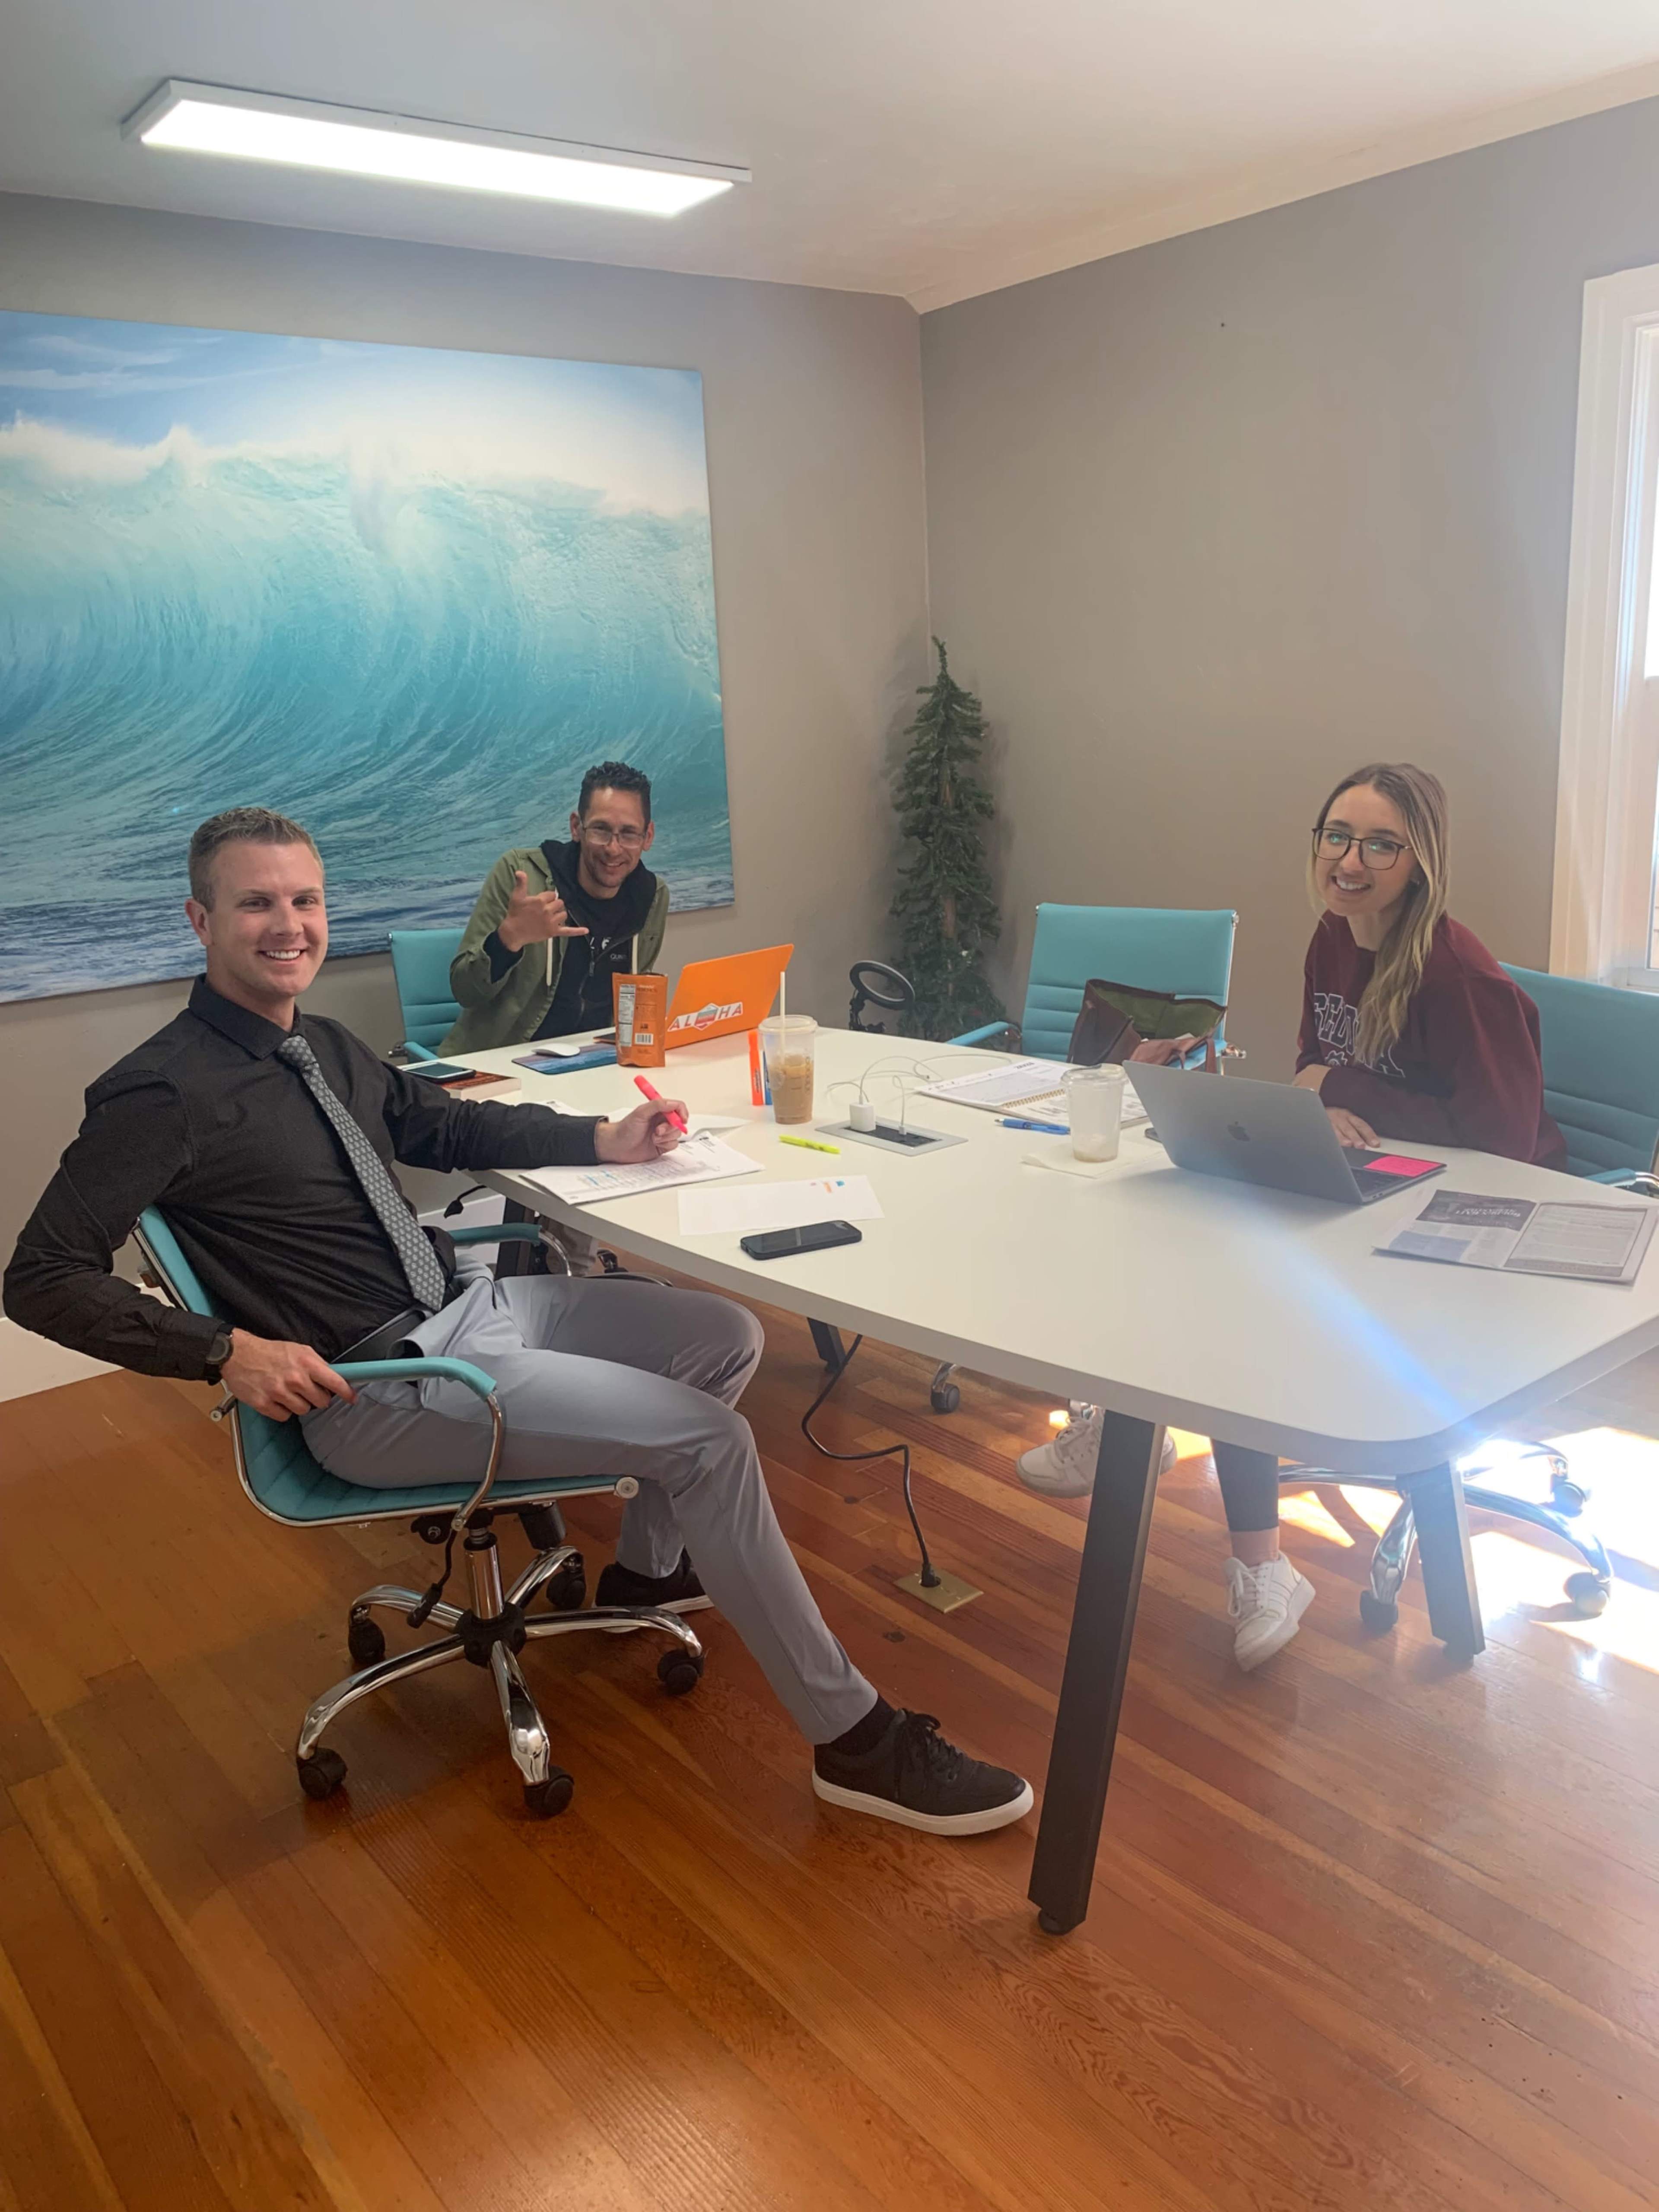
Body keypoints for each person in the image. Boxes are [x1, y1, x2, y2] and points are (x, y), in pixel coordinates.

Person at [4, 807, 1031, 1837]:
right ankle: (855, 1739)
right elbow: (39, 1276)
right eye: (257, 903)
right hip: (385, 1385)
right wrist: (226, 1351)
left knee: (726, 1334)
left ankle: (651, 1563)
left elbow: (444, 1121)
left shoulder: (316, 1043)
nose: (289, 925)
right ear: (200, 917)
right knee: (711, 1441)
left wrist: (603, 1136)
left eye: (305, 900)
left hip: (468, 1305)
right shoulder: (158, 1090)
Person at [1018, 761, 1564, 1672]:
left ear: (1419, 859)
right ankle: (1127, 1413)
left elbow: (1500, 1142)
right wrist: (1325, 1100)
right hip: (1375, 1172)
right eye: (1337, 836)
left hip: (1472, 1217)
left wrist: (1338, 1091)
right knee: (1181, 1221)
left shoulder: (1458, 975)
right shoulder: (1334, 936)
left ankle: (1261, 1561)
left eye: (1381, 842)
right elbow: (1314, 1061)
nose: (1351, 860)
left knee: (1248, 1306)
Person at [442, 761, 669, 1056]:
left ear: (647, 837)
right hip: (505, 1068)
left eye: (629, 834)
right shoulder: (520, 875)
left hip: (595, 1065)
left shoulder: (653, 897)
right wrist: (507, 942)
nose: (614, 849)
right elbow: (466, 991)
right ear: (577, 827)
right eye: (601, 830)